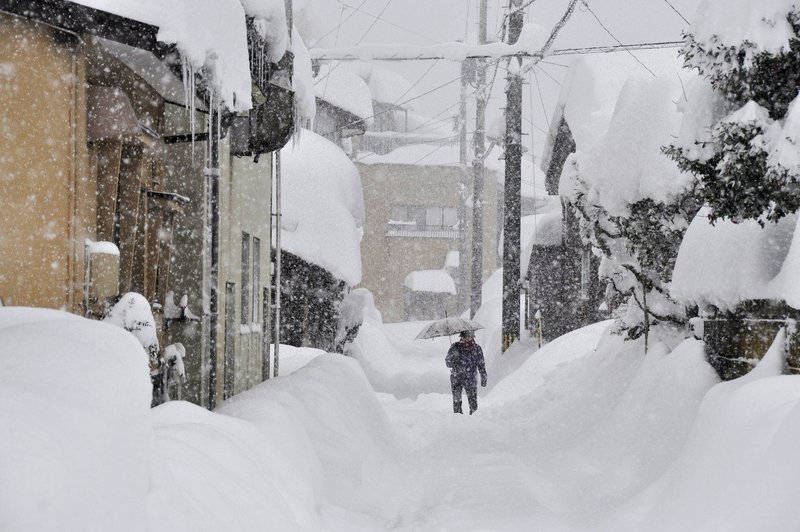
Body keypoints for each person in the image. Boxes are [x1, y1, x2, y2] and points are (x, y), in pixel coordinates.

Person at [445, 330, 487, 414]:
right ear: (462, 337)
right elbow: (448, 363)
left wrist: (484, 376)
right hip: (456, 379)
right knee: (457, 402)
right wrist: (453, 358)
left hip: (471, 379)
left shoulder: (477, 348)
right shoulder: (454, 347)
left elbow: (481, 364)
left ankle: (474, 420)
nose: (468, 339)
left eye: (471, 337)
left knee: (473, 404)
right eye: (466, 337)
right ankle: (457, 419)